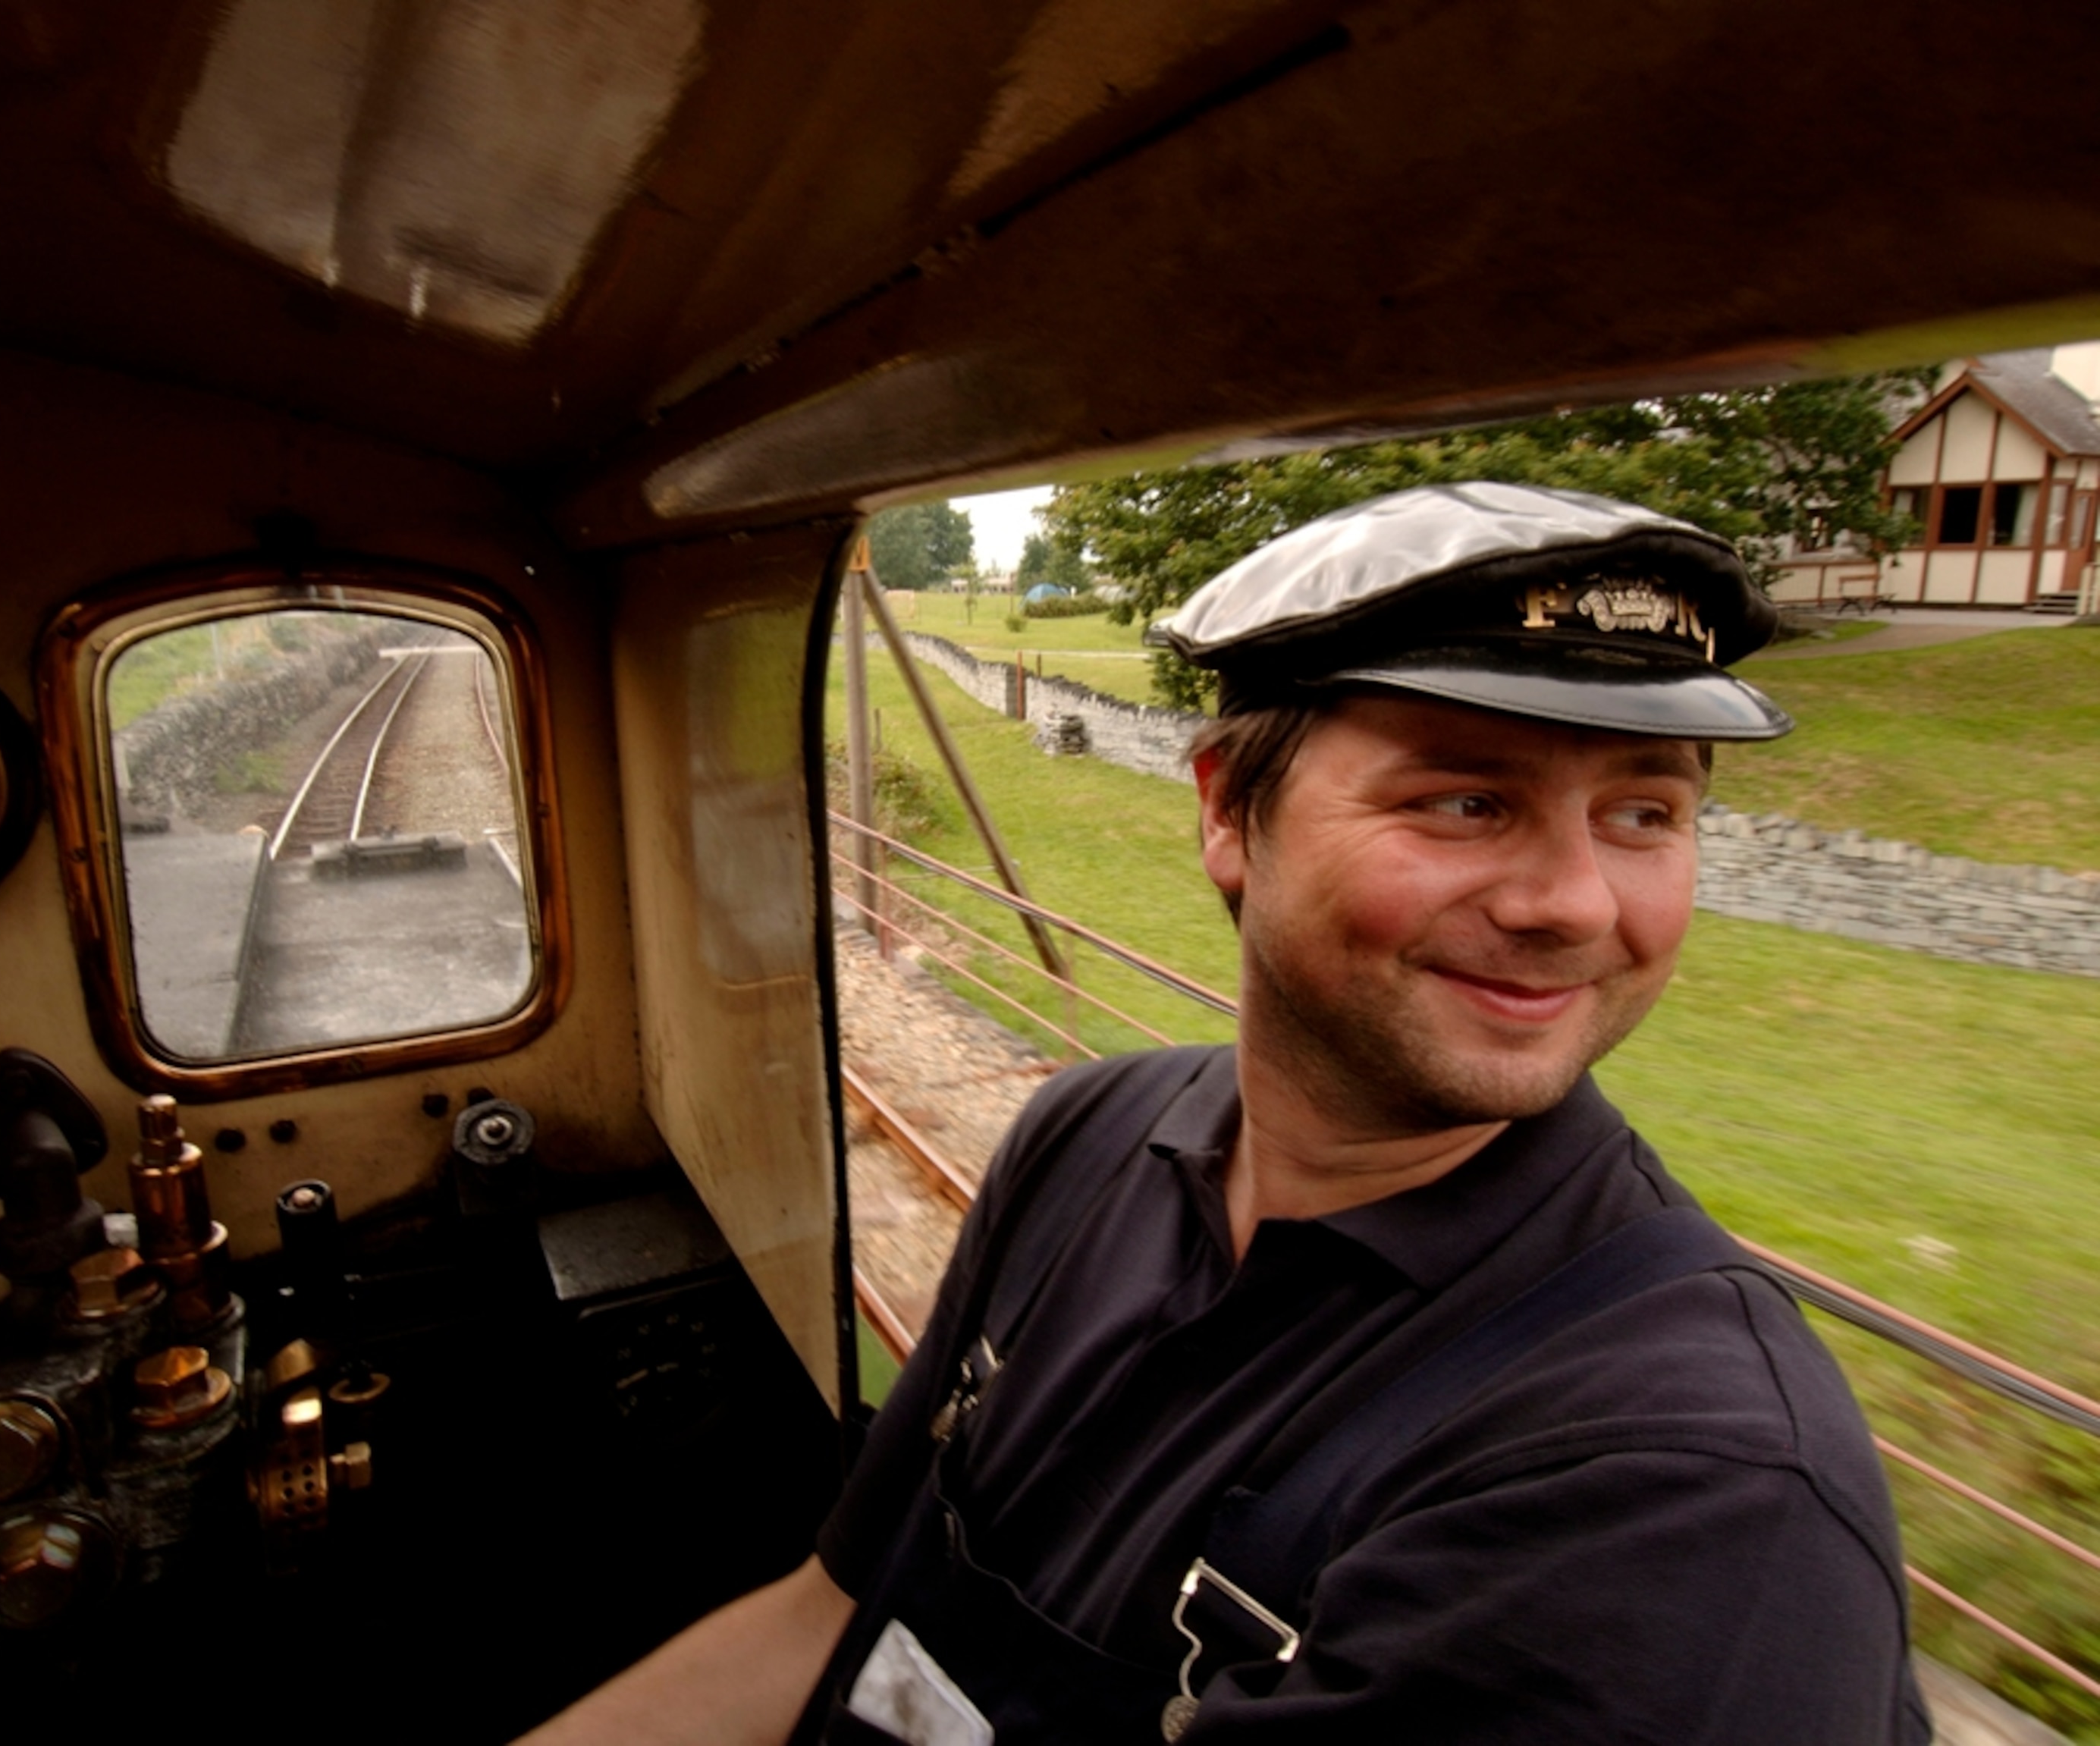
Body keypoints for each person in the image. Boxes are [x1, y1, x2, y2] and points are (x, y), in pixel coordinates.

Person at [523, 482, 1929, 1744]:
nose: (1570, 902)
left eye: (1644, 815)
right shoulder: (1084, 1134)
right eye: (1463, 799)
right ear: (1227, 816)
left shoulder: (1678, 1498)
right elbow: (830, 1607)